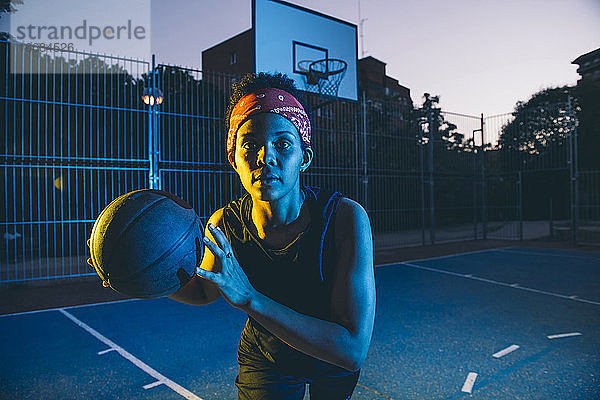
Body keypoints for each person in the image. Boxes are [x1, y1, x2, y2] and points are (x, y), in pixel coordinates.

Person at [168, 72, 376, 399]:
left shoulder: (344, 218)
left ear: (304, 157)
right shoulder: (225, 224)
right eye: (250, 144)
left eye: (282, 143)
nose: (266, 157)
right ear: (233, 159)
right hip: (266, 356)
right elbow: (205, 291)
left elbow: (350, 350)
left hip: (331, 360)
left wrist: (252, 299)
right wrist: (146, 274)